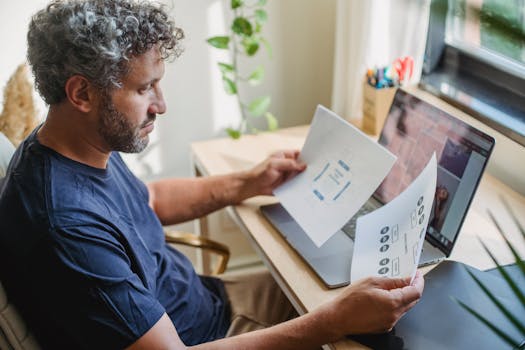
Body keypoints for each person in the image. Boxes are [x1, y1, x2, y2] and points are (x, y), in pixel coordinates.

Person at [0, 0, 424, 349]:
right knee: (385, 331)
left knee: (366, 293)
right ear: (81, 93)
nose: (161, 105)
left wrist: (248, 182)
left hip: (211, 302)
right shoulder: (64, 226)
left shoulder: (73, 144)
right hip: (212, 337)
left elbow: (148, 201)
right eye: (144, 88)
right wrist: (330, 323)